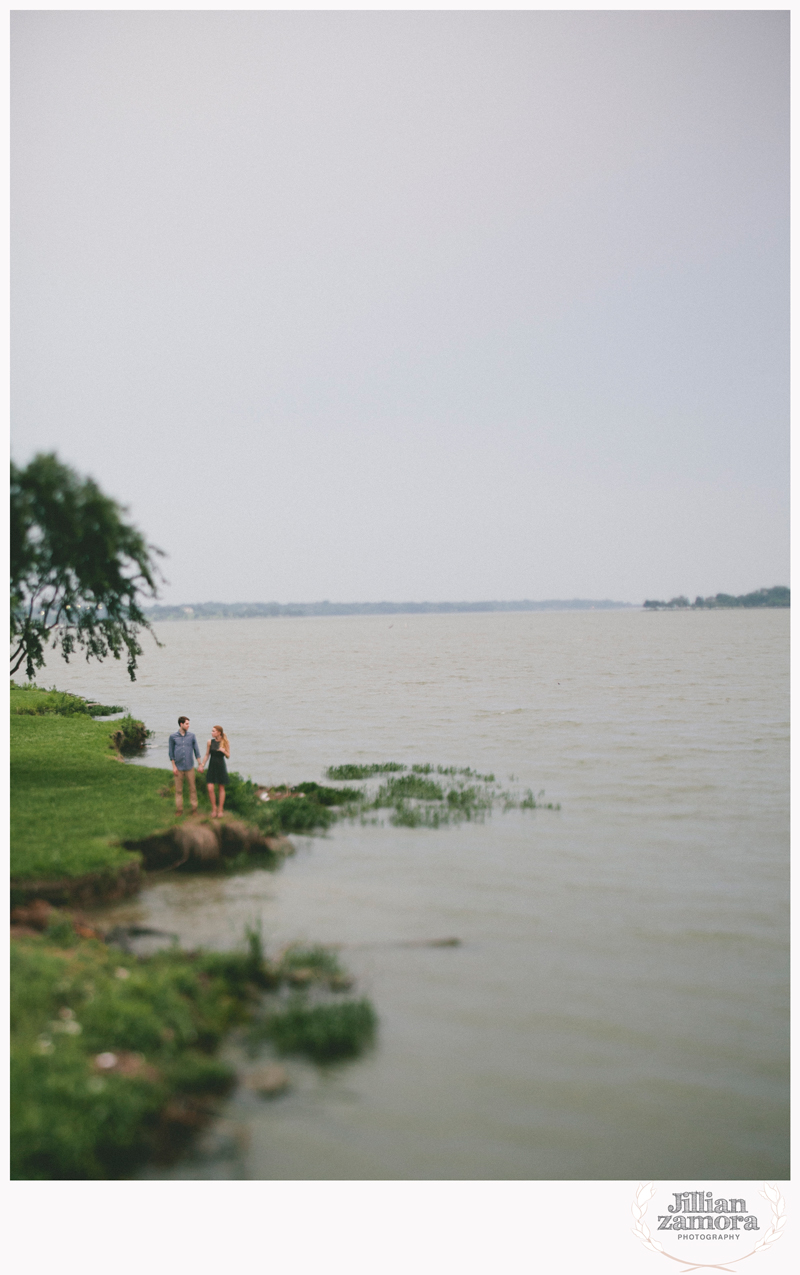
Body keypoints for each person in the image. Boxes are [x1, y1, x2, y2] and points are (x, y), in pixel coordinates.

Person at [168, 715, 201, 814]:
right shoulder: (173, 737)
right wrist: (174, 767)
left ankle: (194, 809)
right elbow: (171, 753)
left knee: (193, 789)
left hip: (189, 767)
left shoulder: (192, 736)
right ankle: (179, 810)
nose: (188, 726)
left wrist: (200, 764)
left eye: (189, 724)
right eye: (187, 724)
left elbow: (197, 751)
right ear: (181, 724)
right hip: (178, 768)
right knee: (178, 790)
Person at [201, 725, 230, 818]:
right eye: (212, 731)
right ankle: (214, 808)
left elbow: (228, 756)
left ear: (219, 733)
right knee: (210, 788)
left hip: (221, 766)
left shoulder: (225, 742)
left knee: (221, 788)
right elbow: (207, 755)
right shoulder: (210, 742)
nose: (212, 732)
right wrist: (202, 764)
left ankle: (220, 809)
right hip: (212, 766)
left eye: (213, 731)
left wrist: (223, 751)